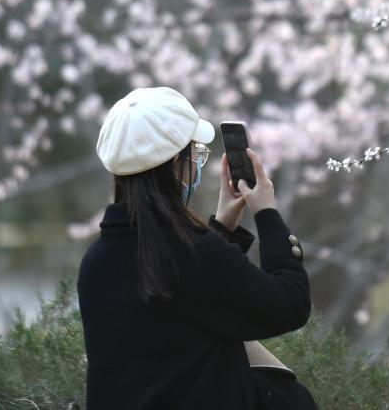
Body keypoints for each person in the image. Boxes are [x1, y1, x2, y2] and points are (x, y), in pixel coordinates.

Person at [77, 86, 317, 409]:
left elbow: (181, 322)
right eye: (196, 154)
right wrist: (267, 214)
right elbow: (290, 303)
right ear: (178, 163)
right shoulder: (193, 255)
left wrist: (222, 230)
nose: (198, 163)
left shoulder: (95, 264)